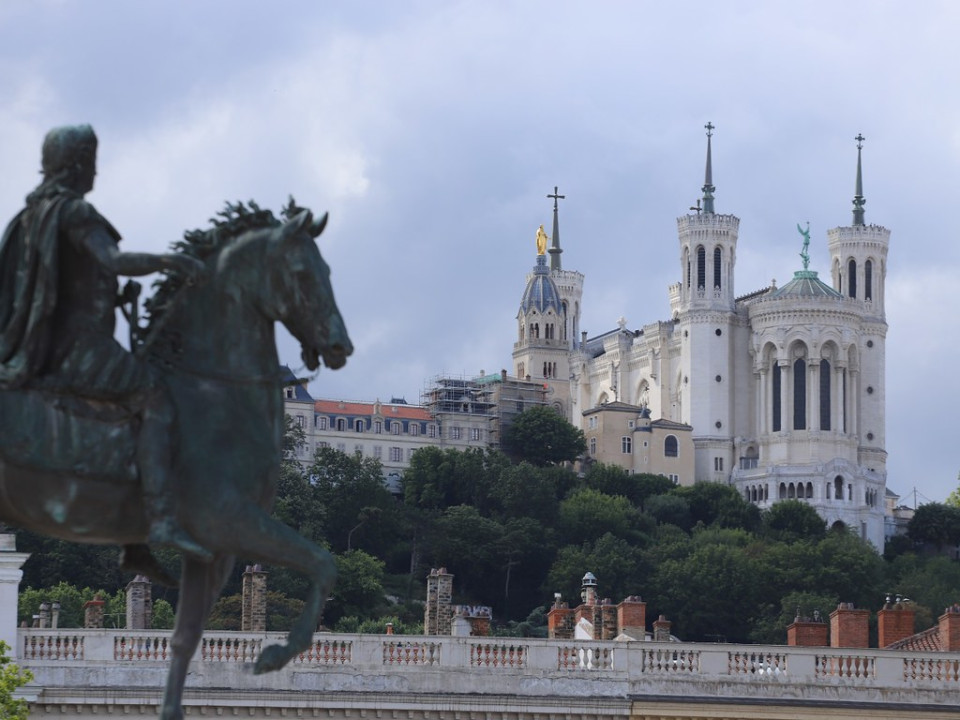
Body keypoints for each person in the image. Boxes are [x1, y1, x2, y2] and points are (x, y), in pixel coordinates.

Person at [0, 124, 211, 563]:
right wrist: (170, 261)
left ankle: (128, 527)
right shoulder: (74, 212)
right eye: (92, 160)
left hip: (44, 343)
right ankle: (159, 521)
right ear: (77, 163)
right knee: (156, 395)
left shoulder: (31, 215)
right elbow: (112, 260)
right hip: (79, 348)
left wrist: (112, 296)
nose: (95, 170)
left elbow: (63, 283)